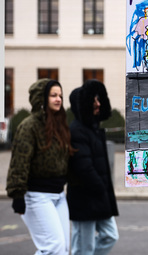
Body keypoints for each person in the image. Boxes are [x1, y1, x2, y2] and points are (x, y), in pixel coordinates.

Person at [6, 79, 74, 255]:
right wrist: (17, 193)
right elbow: (19, 162)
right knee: (53, 247)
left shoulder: (59, 125)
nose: (58, 99)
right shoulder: (29, 127)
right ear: (41, 98)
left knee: (63, 249)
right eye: (53, 95)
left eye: (60, 95)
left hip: (59, 195)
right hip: (37, 197)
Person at [67, 79, 119, 255]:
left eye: (99, 99)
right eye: (94, 100)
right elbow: (84, 167)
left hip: (98, 196)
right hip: (85, 198)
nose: (98, 104)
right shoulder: (77, 130)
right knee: (83, 248)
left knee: (111, 235)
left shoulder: (93, 128)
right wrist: (100, 187)